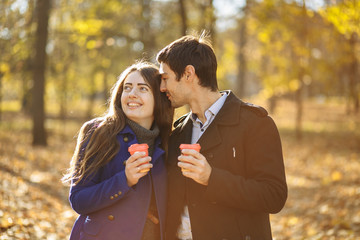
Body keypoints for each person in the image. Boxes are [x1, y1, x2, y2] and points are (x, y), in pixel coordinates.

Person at [156, 33, 288, 240]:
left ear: (188, 74)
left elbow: (274, 196)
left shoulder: (255, 123)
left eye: (165, 78)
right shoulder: (178, 132)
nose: (162, 88)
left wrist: (211, 178)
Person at [62, 61, 174, 240]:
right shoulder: (98, 132)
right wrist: (125, 180)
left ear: (159, 98)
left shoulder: (169, 141)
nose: (132, 94)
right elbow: (79, 200)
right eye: (127, 88)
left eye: (142, 89)